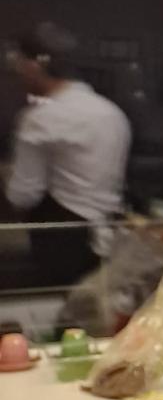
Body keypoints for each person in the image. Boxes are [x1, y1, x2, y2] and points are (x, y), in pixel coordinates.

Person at [3, 28, 131, 288]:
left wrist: (6, 174)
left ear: (34, 65)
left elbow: (23, 195)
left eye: (19, 64)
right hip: (108, 234)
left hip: (63, 240)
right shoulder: (111, 112)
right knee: (97, 304)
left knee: (60, 307)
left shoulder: (40, 119)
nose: (18, 72)